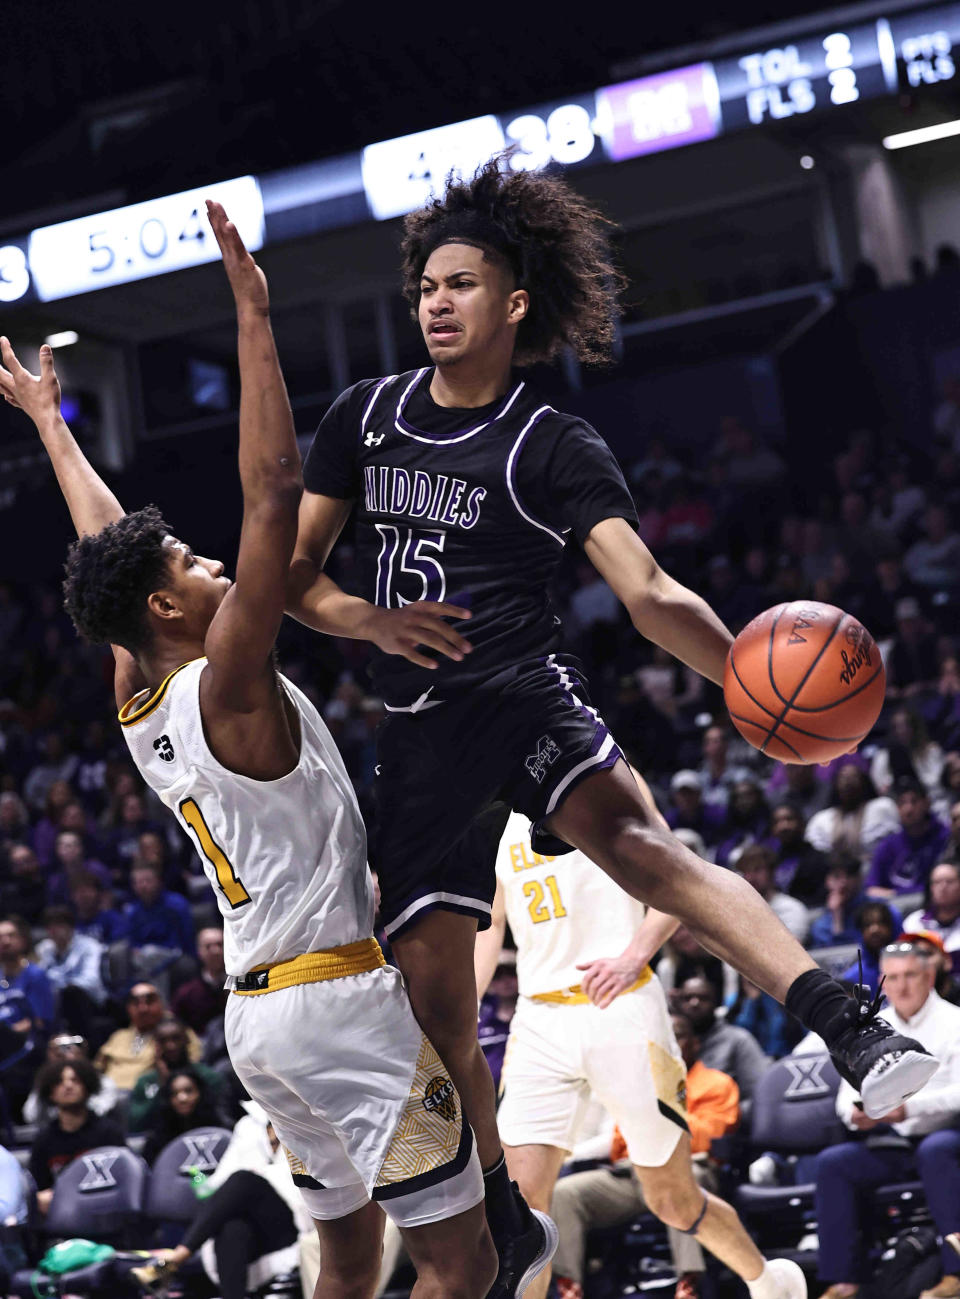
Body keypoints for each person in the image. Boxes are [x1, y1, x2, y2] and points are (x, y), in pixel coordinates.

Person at [285, 157, 936, 1286]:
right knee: (436, 990)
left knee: (647, 852)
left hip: (525, 697)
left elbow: (648, 599)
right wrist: (372, 623)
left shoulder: (551, 443)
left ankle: (853, 1022)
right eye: (425, 287)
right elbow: (294, 575)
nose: (435, 303)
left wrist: (744, 677)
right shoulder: (367, 419)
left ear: (514, 302)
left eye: (460, 284)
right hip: (422, 732)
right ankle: (498, 1201)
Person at [0, 206, 498, 1299]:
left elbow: (111, 557)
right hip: (339, 1003)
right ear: (175, 606)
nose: (220, 562)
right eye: (196, 563)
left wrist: (53, 428)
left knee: (351, 1249)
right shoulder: (229, 684)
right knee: (462, 1259)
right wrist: (253, 314)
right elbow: (274, 494)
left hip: (258, 1025)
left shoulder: (140, 689)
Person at [475, 800, 805, 1299]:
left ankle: (769, 1282)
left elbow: (676, 873)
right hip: (540, 1017)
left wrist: (634, 956)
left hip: (623, 1006)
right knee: (523, 1214)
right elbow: (491, 925)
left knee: (674, 1201)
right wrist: (456, 1016)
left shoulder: (592, 760)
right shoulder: (492, 804)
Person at [548, 1014, 746, 1299]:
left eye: (676, 1036)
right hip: (633, 1174)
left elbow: (706, 1136)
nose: (666, 1045)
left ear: (694, 1044)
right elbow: (618, 1143)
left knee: (680, 1186)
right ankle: (569, 1286)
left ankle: (689, 1283)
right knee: (565, 1193)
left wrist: (656, 1116)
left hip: (688, 1168)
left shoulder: (716, 1084)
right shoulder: (640, 1087)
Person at [814, 943, 960, 1299]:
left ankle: (956, 1274)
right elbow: (845, 1100)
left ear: (929, 976)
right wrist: (857, 1114)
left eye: (910, 975)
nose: (901, 986)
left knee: (936, 1150)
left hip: (948, 1136)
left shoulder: (955, 1021)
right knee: (834, 1164)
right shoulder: (871, 1025)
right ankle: (844, 1280)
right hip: (893, 1143)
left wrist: (910, 1108)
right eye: (892, 978)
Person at [133, 1100, 315, 1299]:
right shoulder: (248, 1125)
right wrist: (206, 1184)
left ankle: (178, 1256)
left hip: (296, 1218)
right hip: (255, 1227)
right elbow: (223, 1176)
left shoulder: (306, 1119)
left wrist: (262, 1175)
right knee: (232, 1228)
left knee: (245, 1179)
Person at [27, 1058, 125, 1215]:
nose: (68, 1085)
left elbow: (124, 1180)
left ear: (87, 1087)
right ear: (50, 1093)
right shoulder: (44, 1140)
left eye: (75, 1080)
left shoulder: (109, 1132)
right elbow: (40, 1188)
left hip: (106, 1211)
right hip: (63, 1215)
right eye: (59, 1082)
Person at [671, 977, 769, 1102]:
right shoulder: (668, 1041)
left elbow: (758, 1094)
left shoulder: (738, 1040)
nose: (694, 1003)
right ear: (677, 1003)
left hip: (723, 1114)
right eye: (688, 998)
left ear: (716, 1003)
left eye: (703, 998)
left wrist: (729, 1112)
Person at [128, 1015, 225, 1132]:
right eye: (163, 1040)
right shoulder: (145, 1081)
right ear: (156, 1045)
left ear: (187, 1039)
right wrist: (163, 1086)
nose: (170, 1046)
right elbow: (136, 1125)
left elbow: (221, 1117)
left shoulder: (207, 1076)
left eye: (176, 1038)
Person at [96, 982, 201, 1091]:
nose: (143, 1008)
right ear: (128, 1008)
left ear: (161, 1003)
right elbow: (97, 1067)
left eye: (149, 1001)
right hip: (108, 1094)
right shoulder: (118, 1036)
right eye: (136, 1003)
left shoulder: (176, 1033)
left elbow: (192, 1065)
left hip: (148, 1094)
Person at [865, 777, 950, 899]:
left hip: (933, 901)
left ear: (927, 803)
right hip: (894, 904)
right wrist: (897, 895)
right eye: (902, 803)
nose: (908, 809)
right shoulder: (888, 844)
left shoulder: (944, 837)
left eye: (914, 801)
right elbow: (871, 889)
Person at [805, 764, 898, 869]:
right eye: (843, 777)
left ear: (864, 781)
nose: (848, 782)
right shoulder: (822, 819)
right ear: (835, 784)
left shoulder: (882, 808)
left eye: (854, 777)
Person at [140, 1065, 225, 1166]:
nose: (182, 1098)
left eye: (188, 1091)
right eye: (174, 1093)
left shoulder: (220, 1128)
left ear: (200, 1093)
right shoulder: (157, 1137)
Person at [736, 844, 810, 945]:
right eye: (746, 871)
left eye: (757, 869)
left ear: (771, 872)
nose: (750, 877)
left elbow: (789, 951)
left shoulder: (791, 908)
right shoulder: (737, 911)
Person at [904, 862, 960, 976]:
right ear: (930, 888)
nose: (943, 887)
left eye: (949, 882)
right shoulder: (914, 922)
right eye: (937, 882)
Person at [769, 801, 829, 907]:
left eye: (789, 819)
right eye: (777, 822)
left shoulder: (820, 859)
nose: (783, 826)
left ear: (802, 824)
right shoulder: (770, 860)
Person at [171, 926, 229, 1034]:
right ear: (199, 951)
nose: (215, 951)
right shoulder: (186, 993)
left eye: (220, 945)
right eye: (208, 946)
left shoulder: (244, 986)